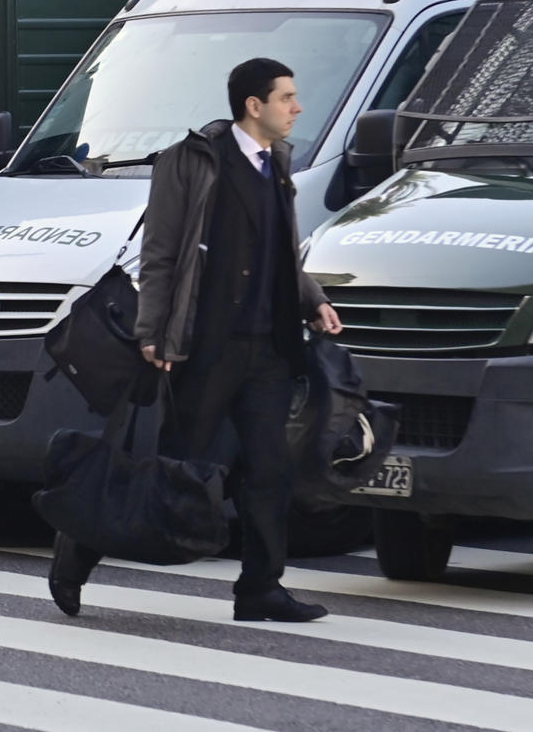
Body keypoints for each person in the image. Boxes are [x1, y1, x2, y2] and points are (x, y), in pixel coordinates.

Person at [48, 57, 343, 622]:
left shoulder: (277, 161)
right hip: (206, 345)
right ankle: (78, 548)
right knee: (179, 467)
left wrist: (314, 300)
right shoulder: (190, 161)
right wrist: (153, 331)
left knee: (269, 470)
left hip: (270, 347)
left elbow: (281, 251)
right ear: (253, 106)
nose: (297, 108)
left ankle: (260, 588)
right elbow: (160, 253)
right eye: (286, 98)